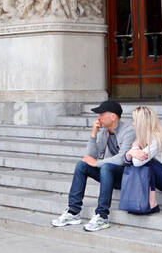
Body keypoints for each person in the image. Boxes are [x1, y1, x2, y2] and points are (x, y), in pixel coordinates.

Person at [51, 99, 135, 232]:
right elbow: (90, 157)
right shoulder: (105, 131)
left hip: (126, 177)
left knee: (106, 166)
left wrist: (98, 163)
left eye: (101, 114)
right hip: (109, 174)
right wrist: (93, 134)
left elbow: (122, 159)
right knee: (81, 165)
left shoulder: (129, 131)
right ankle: (73, 212)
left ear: (113, 117)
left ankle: (102, 216)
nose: (98, 118)